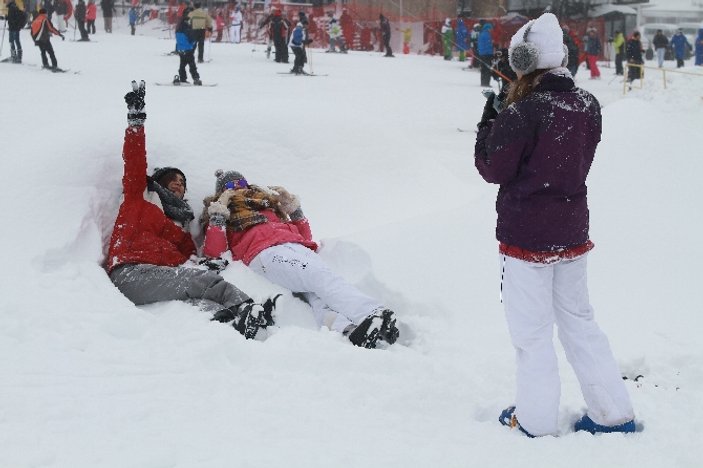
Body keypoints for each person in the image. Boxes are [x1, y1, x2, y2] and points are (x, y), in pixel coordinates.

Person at [473, 12, 636, 438]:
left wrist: (490, 121)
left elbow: (492, 167)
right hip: (571, 232)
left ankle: (535, 420)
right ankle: (613, 413)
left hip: (526, 237)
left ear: (525, 61)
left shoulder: (524, 111)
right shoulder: (587, 104)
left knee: (531, 335)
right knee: (581, 323)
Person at [108, 81, 277, 340]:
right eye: (173, 179)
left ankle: (235, 328)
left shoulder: (180, 225)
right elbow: (134, 161)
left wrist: (207, 261)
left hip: (158, 277)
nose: (179, 183)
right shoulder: (140, 196)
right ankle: (246, 305)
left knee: (201, 300)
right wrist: (136, 124)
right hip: (130, 272)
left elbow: (188, 258)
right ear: (160, 181)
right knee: (204, 283)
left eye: (183, 182)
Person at [200, 171, 400, 349]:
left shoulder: (267, 204)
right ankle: (372, 314)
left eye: (241, 182)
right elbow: (214, 251)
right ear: (221, 191)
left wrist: (294, 210)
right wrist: (218, 215)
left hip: (296, 246)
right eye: (230, 185)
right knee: (318, 277)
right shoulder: (222, 210)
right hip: (264, 253)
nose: (237, 188)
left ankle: (350, 331)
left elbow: (304, 236)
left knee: (317, 294)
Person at [173, 7, 201, 85]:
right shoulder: (187, 25)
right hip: (188, 48)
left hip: (181, 48)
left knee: (183, 64)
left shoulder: (180, 24)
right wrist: (194, 41)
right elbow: (191, 37)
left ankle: (182, 78)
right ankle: (196, 78)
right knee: (192, 64)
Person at [477, 21, 494, 87]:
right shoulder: (487, 35)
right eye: (490, 28)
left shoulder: (481, 34)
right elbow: (488, 45)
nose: (491, 30)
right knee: (487, 69)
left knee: (483, 69)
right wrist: (491, 52)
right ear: (488, 28)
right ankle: (486, 83)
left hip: (481, 54)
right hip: (487, 54)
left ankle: (483, 82)